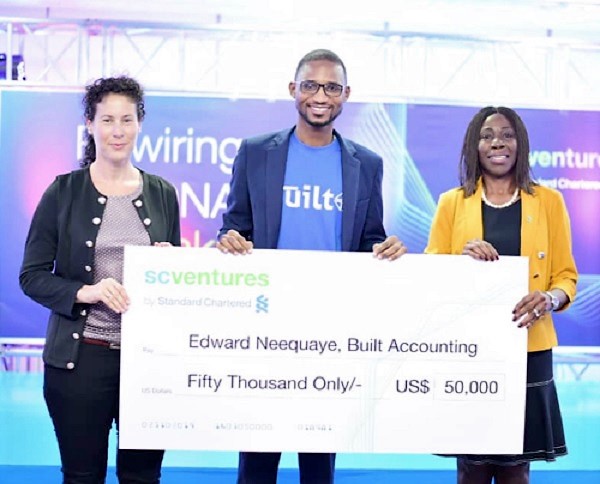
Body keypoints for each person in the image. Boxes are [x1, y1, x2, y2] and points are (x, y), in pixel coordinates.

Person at [216, 48, 407, 484]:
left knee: (318, 461)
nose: (321, 95)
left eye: (332, 87)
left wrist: (387, 248)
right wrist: (229, 240)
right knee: (258, 458)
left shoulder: (368, 164)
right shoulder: (255, 153)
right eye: (311, 85)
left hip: (331, 330)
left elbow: (369, 240)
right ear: (293, 90)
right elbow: (236, 225)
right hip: (264, 325)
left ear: (346, 95)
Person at [19, 75, 181, 483]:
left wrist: (171, 267)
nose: (117, 131)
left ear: (140, 123)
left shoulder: (162, 193)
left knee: (143, 477)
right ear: (90, 125)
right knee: (82, 476)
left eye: (127, 119)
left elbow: (174, 278)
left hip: (147, 363)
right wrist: (86, 292)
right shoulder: (63, 192)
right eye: (107, 119)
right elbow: (32, 276)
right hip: (80, 362)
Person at [425, 106, 577, 484]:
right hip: (469, 350)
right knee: (472, 467)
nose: (497, 142)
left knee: (515, 468)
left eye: (507, 134)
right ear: (474, 145)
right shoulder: (451, 203)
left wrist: (549, 299)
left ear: (520, 144)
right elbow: (427, 276)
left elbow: (566, 277)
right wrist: (460, 261)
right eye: (487, 134)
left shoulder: (549, 202)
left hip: (528, 349)